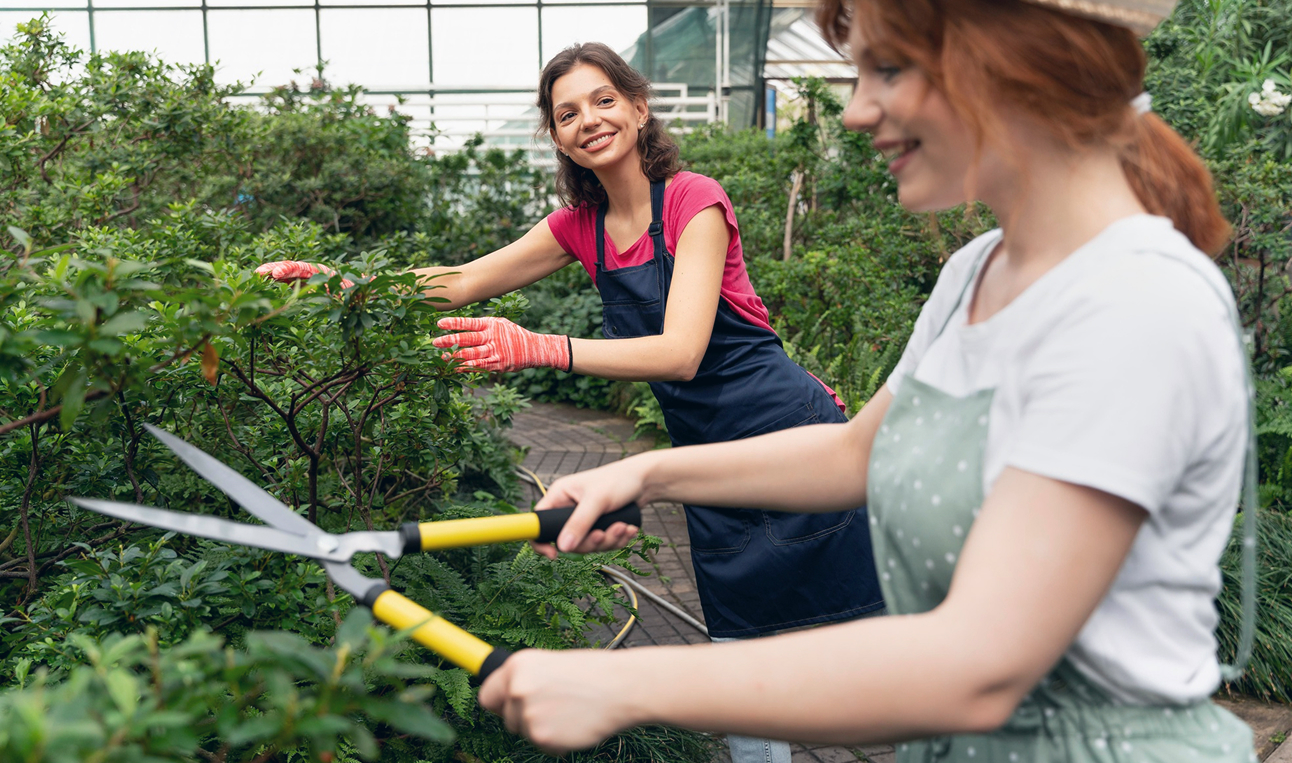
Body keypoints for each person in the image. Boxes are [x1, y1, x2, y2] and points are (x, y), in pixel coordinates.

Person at [475, 0, 1261, 761]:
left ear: (1012, 61)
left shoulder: (1133, 299)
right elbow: (857, 454)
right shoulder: (977, 273)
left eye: (887, 69)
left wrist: (623, 687)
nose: (854, 112)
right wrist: (640, 477)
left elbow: (979, 668)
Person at [258, 42, 886, 763]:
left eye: (604, 100)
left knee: (870, 639)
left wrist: (540, 346)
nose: (588, 119)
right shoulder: (578, 227)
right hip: (711, 467)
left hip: (791, 439)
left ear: (639, 108)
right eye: (567, 113)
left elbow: (681, 350)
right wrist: (342, 283)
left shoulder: (693, 199)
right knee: (738, 657)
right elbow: (461, 282)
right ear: (555, 136)